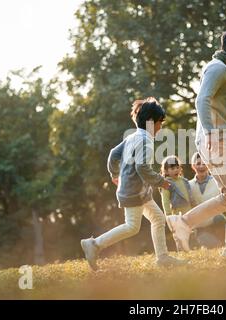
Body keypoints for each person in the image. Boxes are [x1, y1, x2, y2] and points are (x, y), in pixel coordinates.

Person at [166, 28, 226, 257]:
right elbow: (201, 100)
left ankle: (184, 223)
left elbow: (218, 103)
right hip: (218, 138)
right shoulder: (218, 68)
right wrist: (210, 134)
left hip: (218, 136)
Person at [80, 97, 186, 270]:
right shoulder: (146, 141)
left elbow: (113, 154)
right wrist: (161, 182)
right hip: (133, 192)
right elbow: (142, 167)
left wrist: (114, 174)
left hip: (138, 191)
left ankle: (163, 258)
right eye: (160, 123)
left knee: (158, 219)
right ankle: (95, 244)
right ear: (151, 122)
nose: (161, 127)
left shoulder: (133, 137)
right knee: (132, 226)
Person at [189, 152, 226, 248]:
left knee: (223, 244)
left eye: (204, 163)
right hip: (200, 227)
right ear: (193, 166)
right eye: (198, 164)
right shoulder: (188, 185)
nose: (201, 166)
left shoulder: (217, 181)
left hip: (217, 223)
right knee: (214, 246)